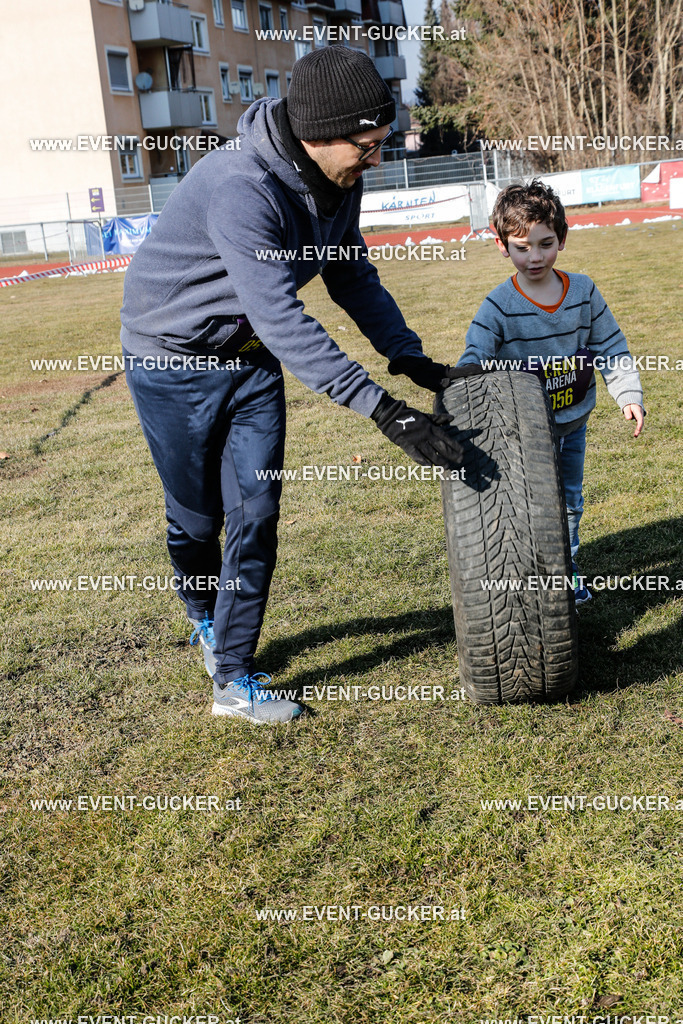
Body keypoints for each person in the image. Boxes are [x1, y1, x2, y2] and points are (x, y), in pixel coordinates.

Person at [120, 46, 468, 724]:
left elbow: (350, 274)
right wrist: (384, 412)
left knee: (256, 514)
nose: (375, 161)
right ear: (316, 136)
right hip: (172, 359)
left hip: (248, 361)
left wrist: (408, 359)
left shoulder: (341, 179)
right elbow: (282, 314)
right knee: (195, 521)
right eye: (366, 147)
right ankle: (202, 612)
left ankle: (232, 676)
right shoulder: (239, 186)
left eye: (380, 145)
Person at [457, 179, 645, 604]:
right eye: (522, 247)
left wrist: (629, 395)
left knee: (569, 502)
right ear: (502, 244)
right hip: (522, 430)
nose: (535, 256)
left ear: (562, 236)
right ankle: (527, 570)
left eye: (545, 243)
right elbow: (476, 354)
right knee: (529, 505)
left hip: (573, 423)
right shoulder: (498, 305)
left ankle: (566, 570)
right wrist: (466, 381)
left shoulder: (583, 291)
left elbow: (611, 346)